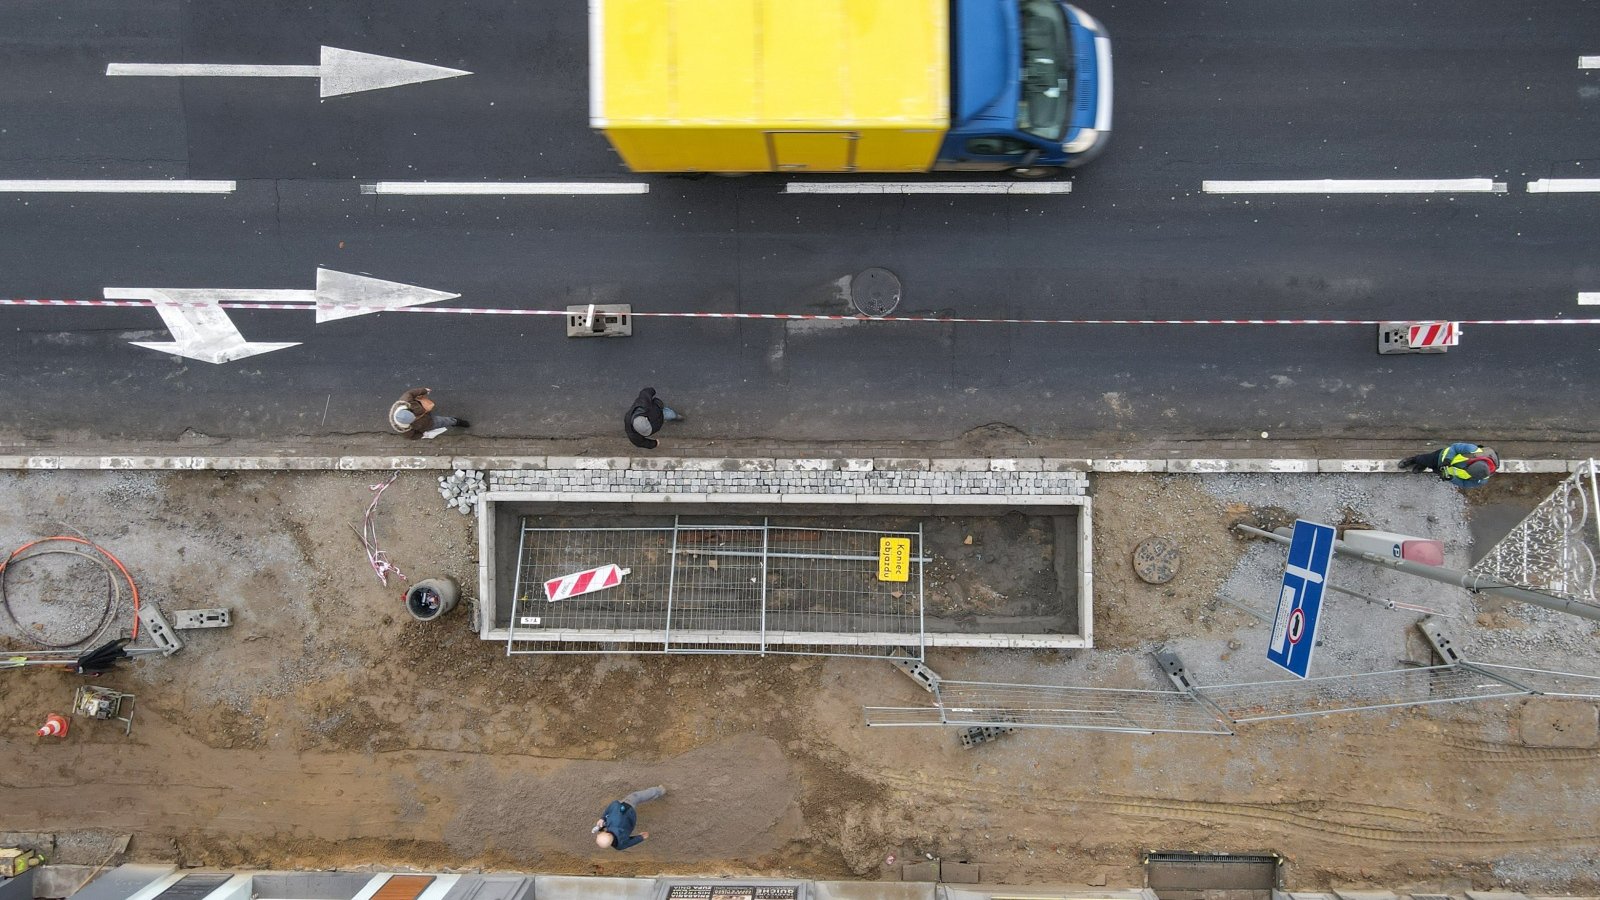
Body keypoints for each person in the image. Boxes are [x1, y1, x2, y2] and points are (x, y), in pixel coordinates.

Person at [591, 786, 665, 850]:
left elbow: (630, 842)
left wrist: (641, 837)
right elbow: (614, 805)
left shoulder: (619, 846)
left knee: (636, 801)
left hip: (631, 821)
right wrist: (603, 818)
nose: (597, 834)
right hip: (627, 809)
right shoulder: (613, 821)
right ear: (608, 833)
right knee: (637, 796)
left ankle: (656, 793)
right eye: (599, 835)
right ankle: (659, 790)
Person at [1399, 442, 1499, 488]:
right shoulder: (1472, 450)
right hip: (1441, 457)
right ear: (1472, 463)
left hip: (1445, 472)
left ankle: (1423, 466)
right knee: (1424, 459)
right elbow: (1455, 447)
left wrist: (1451, 479)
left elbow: (1464, 484)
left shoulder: (1480, 480)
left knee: (1434, 469)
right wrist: (1447, 460)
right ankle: (1413, 460)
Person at [390, 387, 469, 440]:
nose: (415, 416)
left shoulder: (405, 401)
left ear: (407, 409)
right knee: (445, 421)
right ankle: (456, 422)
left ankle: (455, 422)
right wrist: (423, 435)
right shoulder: (404, 430)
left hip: (424, 413)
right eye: (413, 419)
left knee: (442, 420)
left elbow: (411, 393)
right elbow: (412, 436)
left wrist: (424, 390)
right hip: (429, 423)